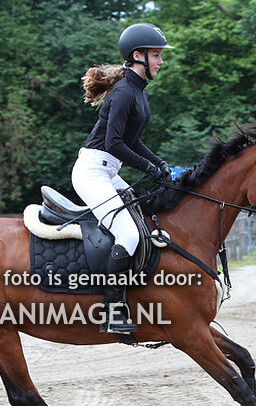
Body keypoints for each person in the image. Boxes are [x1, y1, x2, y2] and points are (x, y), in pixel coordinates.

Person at [72, 22, 174, 334]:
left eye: (159, 56)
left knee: (143, 221)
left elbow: (131, 141)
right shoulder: (123, 94)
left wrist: (159, 163)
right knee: (128, 235)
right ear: (138, 56)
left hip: (109, 171)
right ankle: (111, 312)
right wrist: (148, 168)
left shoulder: (139, 94)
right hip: (91, 172)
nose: (160, 61)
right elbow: (115, 143)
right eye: (156, 55)